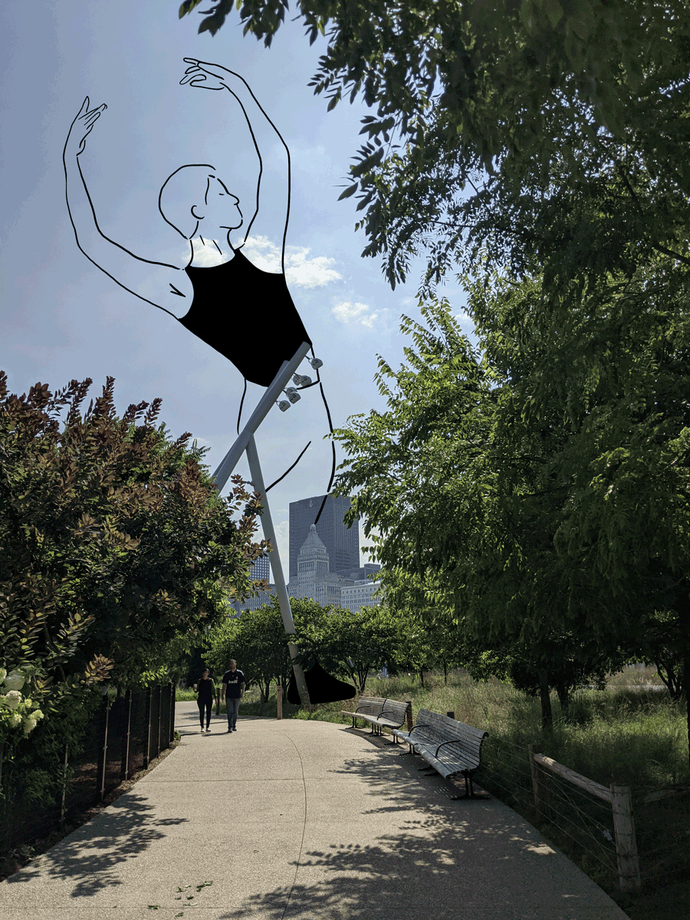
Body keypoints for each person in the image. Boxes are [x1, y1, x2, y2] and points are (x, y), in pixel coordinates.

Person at [63, 57, 313, 389]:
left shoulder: (258, 256)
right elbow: (91, 241)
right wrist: (71, 159)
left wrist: (235, 85)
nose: (235, 198)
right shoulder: (182, 289)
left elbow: (275, 160)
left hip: (314, 384)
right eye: (222, 193)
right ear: (198, 210)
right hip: (269, 405)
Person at [221, 659, 245, 732]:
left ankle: (234, 725)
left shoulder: (240, 673)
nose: (232, 665)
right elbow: (224, 685)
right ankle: (229, 726)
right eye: (230, 664)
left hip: (237, 695)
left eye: (233, 663)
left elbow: (243, 684)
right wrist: (222, 695)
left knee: (235, 711)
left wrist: (242, 693)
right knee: (229, 711)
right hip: (229, 695)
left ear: (235, 664)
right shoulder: (227, 674)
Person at [194, 668, 215, 733]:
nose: (205, 674)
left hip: (209, 698)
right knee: (201, 712)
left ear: (208, 673)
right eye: (204, 672)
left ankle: (207, 727)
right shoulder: (200, 681)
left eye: (206, 672)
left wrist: (215, 697)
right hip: (201, 698)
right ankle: (202, 727)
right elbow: (197, 690)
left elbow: (213, 689)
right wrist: (194, 688)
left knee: (208, 712)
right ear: (202, 673)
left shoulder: (211, 681)